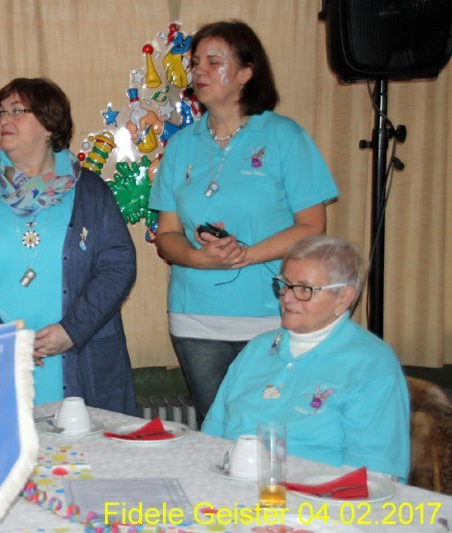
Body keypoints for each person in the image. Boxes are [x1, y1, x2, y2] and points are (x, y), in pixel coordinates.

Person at [148, 20, 339, 425]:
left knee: (273, 432)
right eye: (195, 63)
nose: (199, 71)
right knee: (215, 432)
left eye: (213, 62)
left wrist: (245, 255)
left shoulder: (284, 136)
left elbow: (312, 226)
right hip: (196, 319)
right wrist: (199, 258)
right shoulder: (180, 145)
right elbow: (167, 235)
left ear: (246, 73)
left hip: (273, 315)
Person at [0, 77, 137, 415]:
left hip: (78, 358)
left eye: (16, 111)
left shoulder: (91, 191)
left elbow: (118, 265)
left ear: (49, 124)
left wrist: (72, 331)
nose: (4, 120)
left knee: (84, 448)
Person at [202, 235, 410, 481]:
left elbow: (374, 473)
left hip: (314, 496)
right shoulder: (258, 348)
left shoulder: (371, 363)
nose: (287, 297)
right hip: (228, 486)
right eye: (285, 284)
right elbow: (210, 438)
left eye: (304, 289)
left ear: (343, 298)